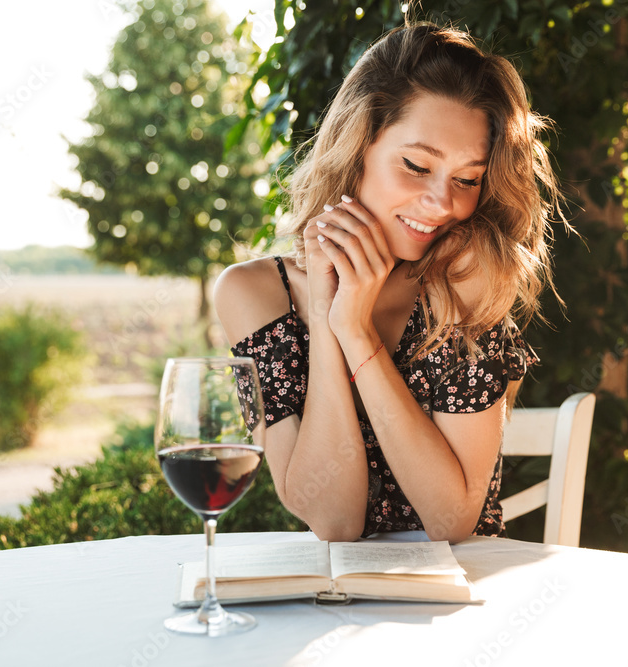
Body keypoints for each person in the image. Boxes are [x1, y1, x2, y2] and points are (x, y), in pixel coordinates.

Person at [213, 20, 561, 544]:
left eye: (467, 179)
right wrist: (332, 316)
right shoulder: (253, 295)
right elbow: (332, 519)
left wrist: (358, 332)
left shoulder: (465, 277)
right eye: (417, 165)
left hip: (460, 594)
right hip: (333, 598)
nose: (445, 204)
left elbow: (452, 520)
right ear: (358, 147)